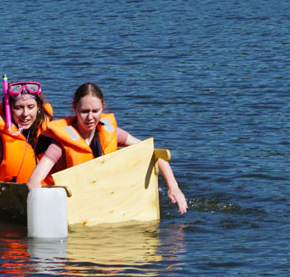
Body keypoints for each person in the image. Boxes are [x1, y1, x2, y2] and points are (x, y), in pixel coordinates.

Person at [26, 82, 187, 214]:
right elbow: (33, 181)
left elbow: (154, 153)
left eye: (95, 111)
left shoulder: (111, 132)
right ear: (74, 108)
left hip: (104, 203)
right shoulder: (60, 143)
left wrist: (173, 188)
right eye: (84, 111)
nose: (90, 117)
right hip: (72, 206)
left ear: (103, 108)